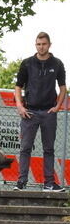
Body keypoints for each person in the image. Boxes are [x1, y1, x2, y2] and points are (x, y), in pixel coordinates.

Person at [14, 32, 66, 191]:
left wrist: (57, 107)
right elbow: (18, 87)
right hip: (29, 112)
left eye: (43, 44)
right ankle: (21, 182)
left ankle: (49, 183)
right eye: (38, 44)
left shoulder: (57, 64)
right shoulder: (27, 63)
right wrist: (20, 106)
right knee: (25, 148)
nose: (41, 47)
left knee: (48, 149)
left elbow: (63, 88)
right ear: (35, 45)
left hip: (48, 112)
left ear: (49, 44)